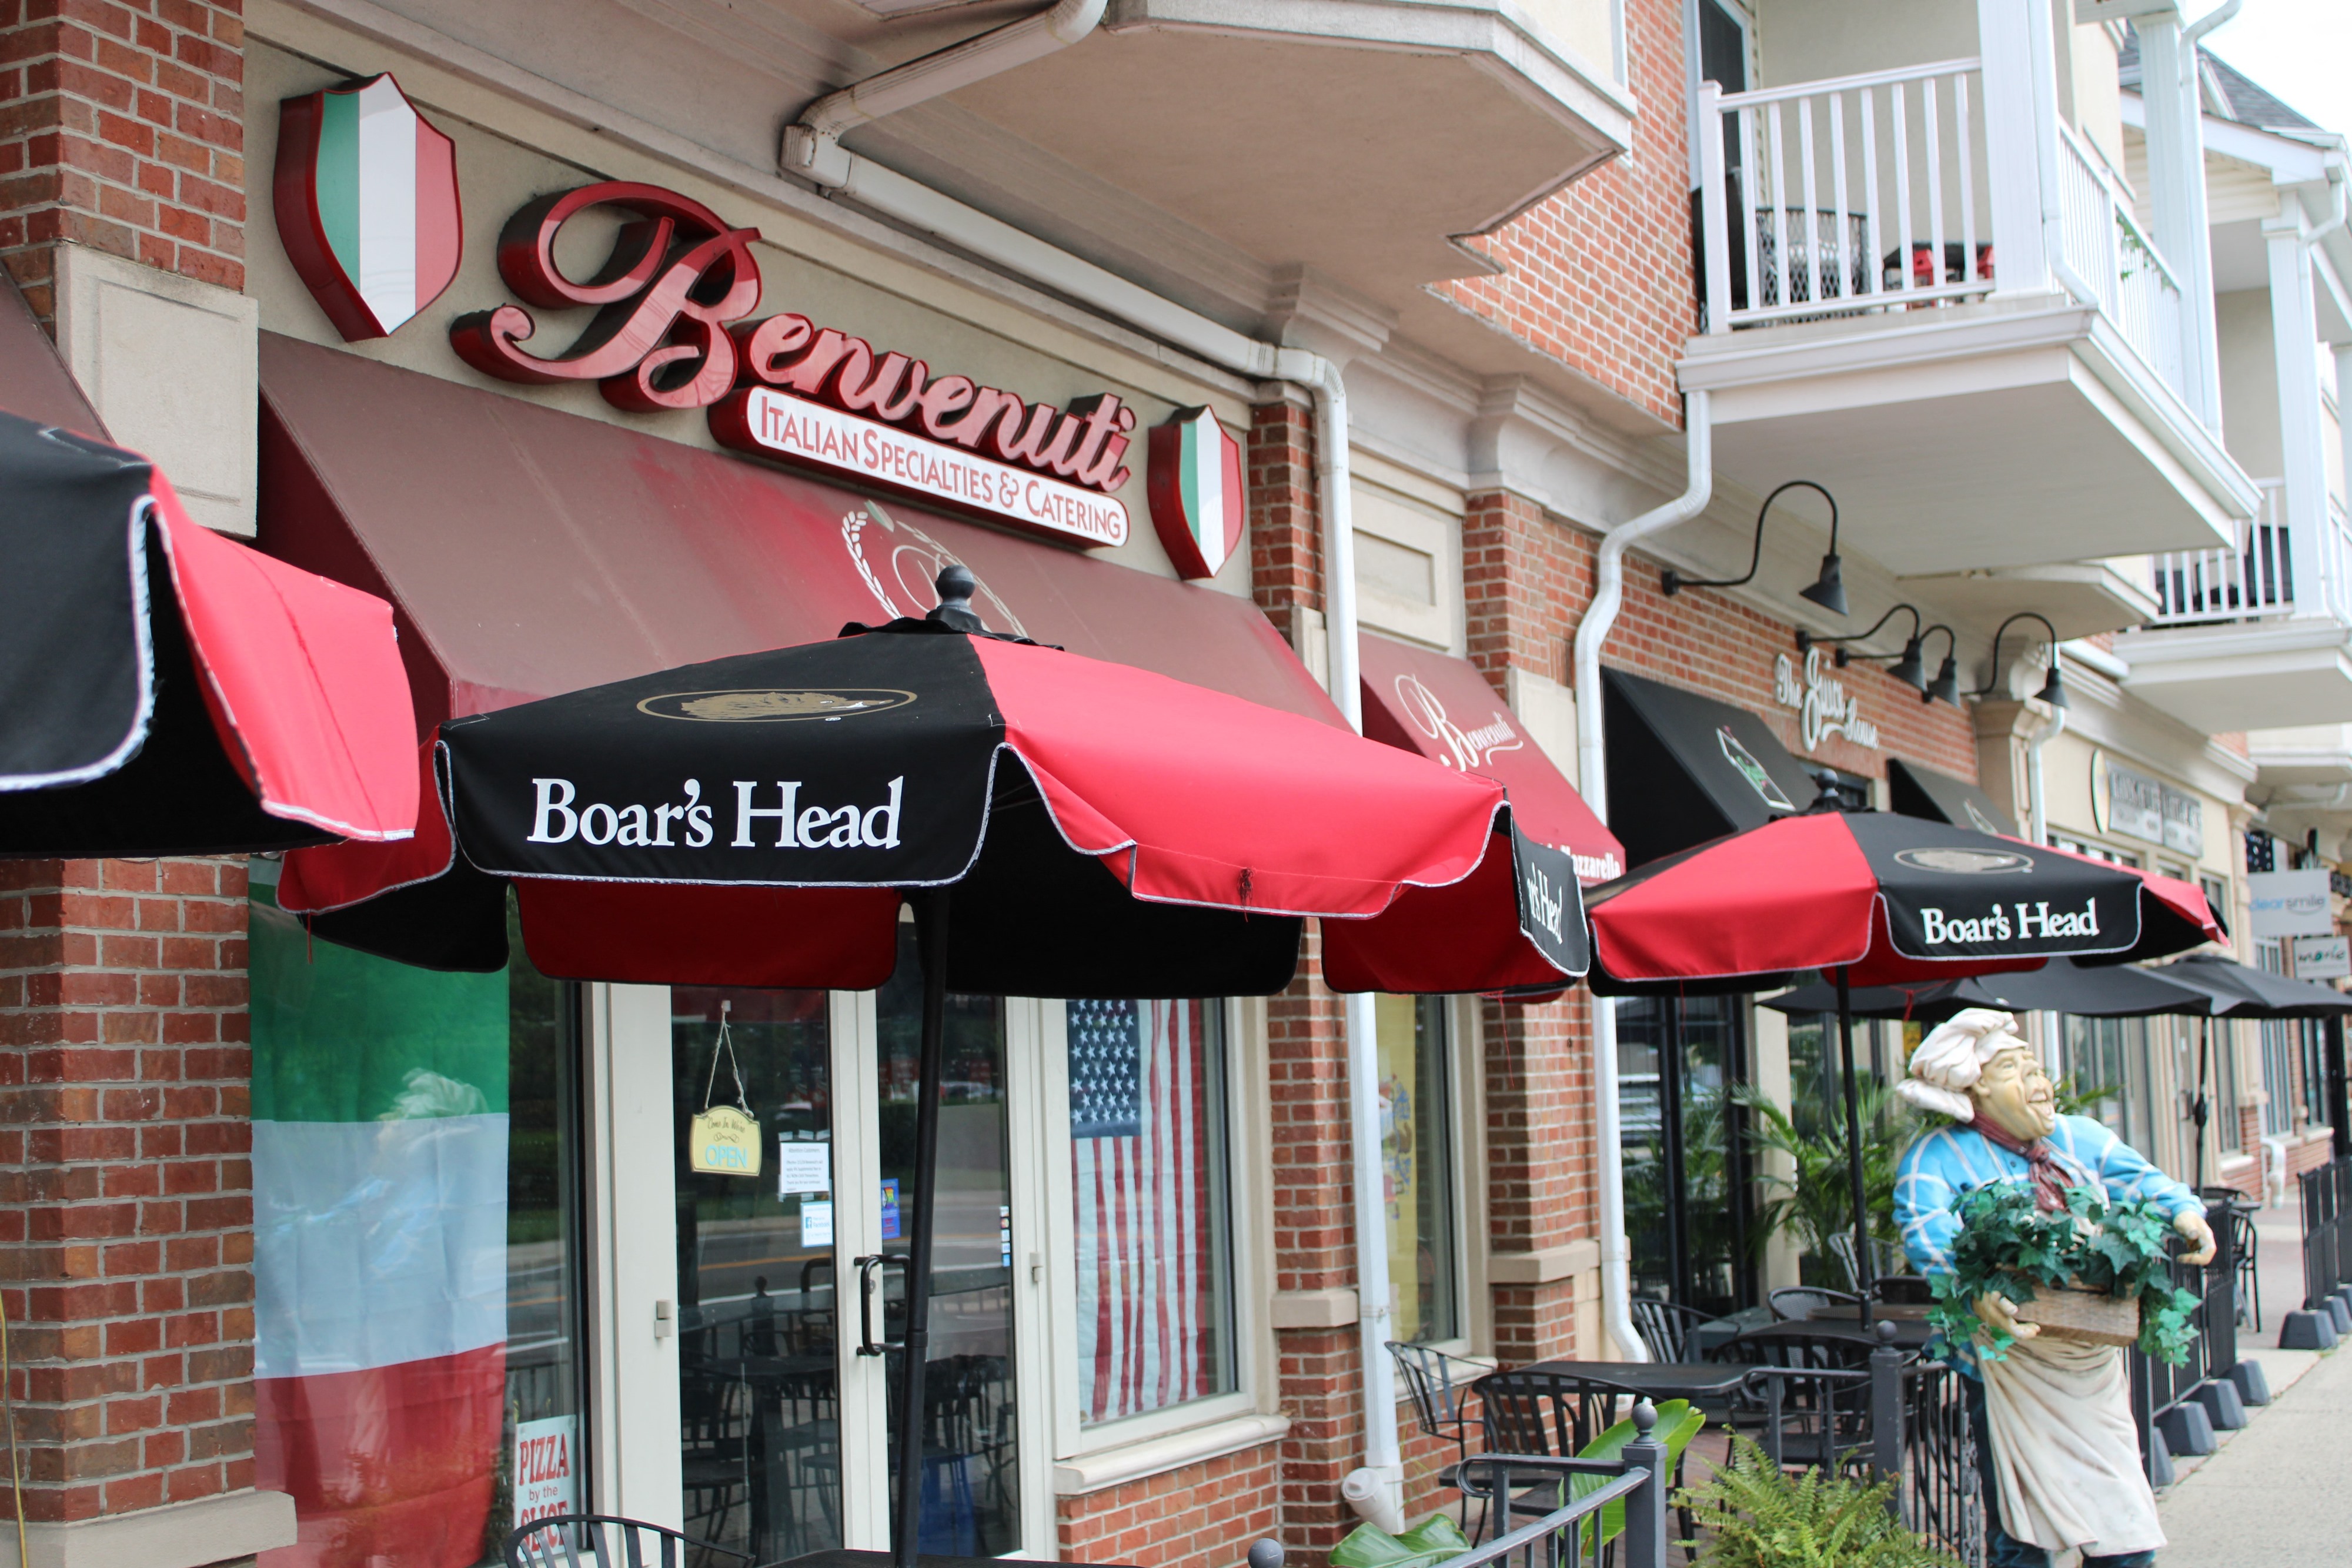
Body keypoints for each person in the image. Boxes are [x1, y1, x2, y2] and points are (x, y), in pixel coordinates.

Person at [1892, 1008, 2216, 1568]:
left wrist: (2186, 1213)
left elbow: (2144, 1181)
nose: (2041, 1084)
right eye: (2020, 1069)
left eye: (2038, 1069)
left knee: (2124, 1520)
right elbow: (1929, 1236)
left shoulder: (2078, 1136)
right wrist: (1976, 1291)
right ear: (1978, 1084)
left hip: (2091, 1364)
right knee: (2023, 1530)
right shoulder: (1934, 1158)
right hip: (2006, 1367)